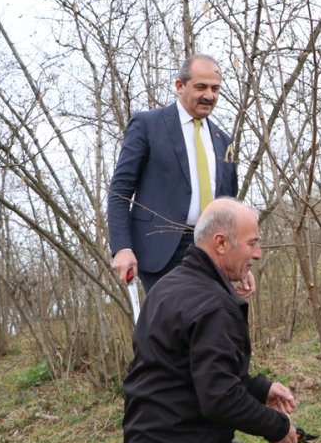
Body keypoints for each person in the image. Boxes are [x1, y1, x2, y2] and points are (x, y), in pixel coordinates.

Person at [117, 197, 307, 443]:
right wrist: (278, 427)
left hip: (150, 434)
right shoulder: (212, 304)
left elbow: (193, 371)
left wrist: (261, 389)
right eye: (252, 243)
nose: (258, 253)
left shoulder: (169, 286)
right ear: (221, 243)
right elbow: (219, 398)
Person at [107, 54, 253, 296]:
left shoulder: (224, 141)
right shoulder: (147, 125)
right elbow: (119, 193)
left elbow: (230, 209)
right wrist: (122, 247)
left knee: (215, 326)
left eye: (215, 89)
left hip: (214, 250)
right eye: (201, 87)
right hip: (162, 251)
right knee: (174, 327)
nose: (209, 95)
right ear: (179, 86)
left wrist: (242, 263)